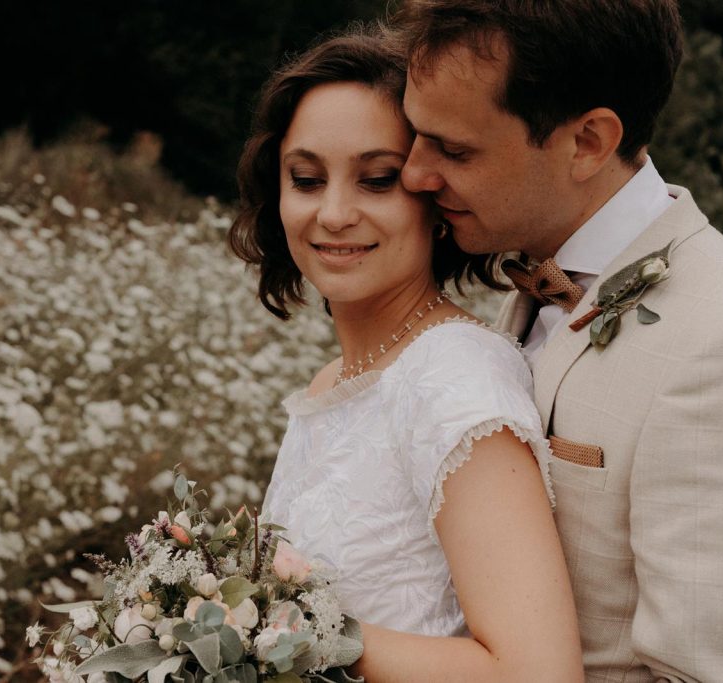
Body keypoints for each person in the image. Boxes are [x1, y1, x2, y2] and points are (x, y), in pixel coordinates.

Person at [393, 1, 723, 681]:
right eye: (416, 135)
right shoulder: (529, 284)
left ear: (588, 142)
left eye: (454, 149)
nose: (413, 174)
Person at [229, 27, 584, 681]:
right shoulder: (338, 378)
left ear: (433, 195)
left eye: (377, 180)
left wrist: (292, 632)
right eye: (306, 179)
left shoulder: (454, 375)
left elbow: (538, 671)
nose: (334, 213)